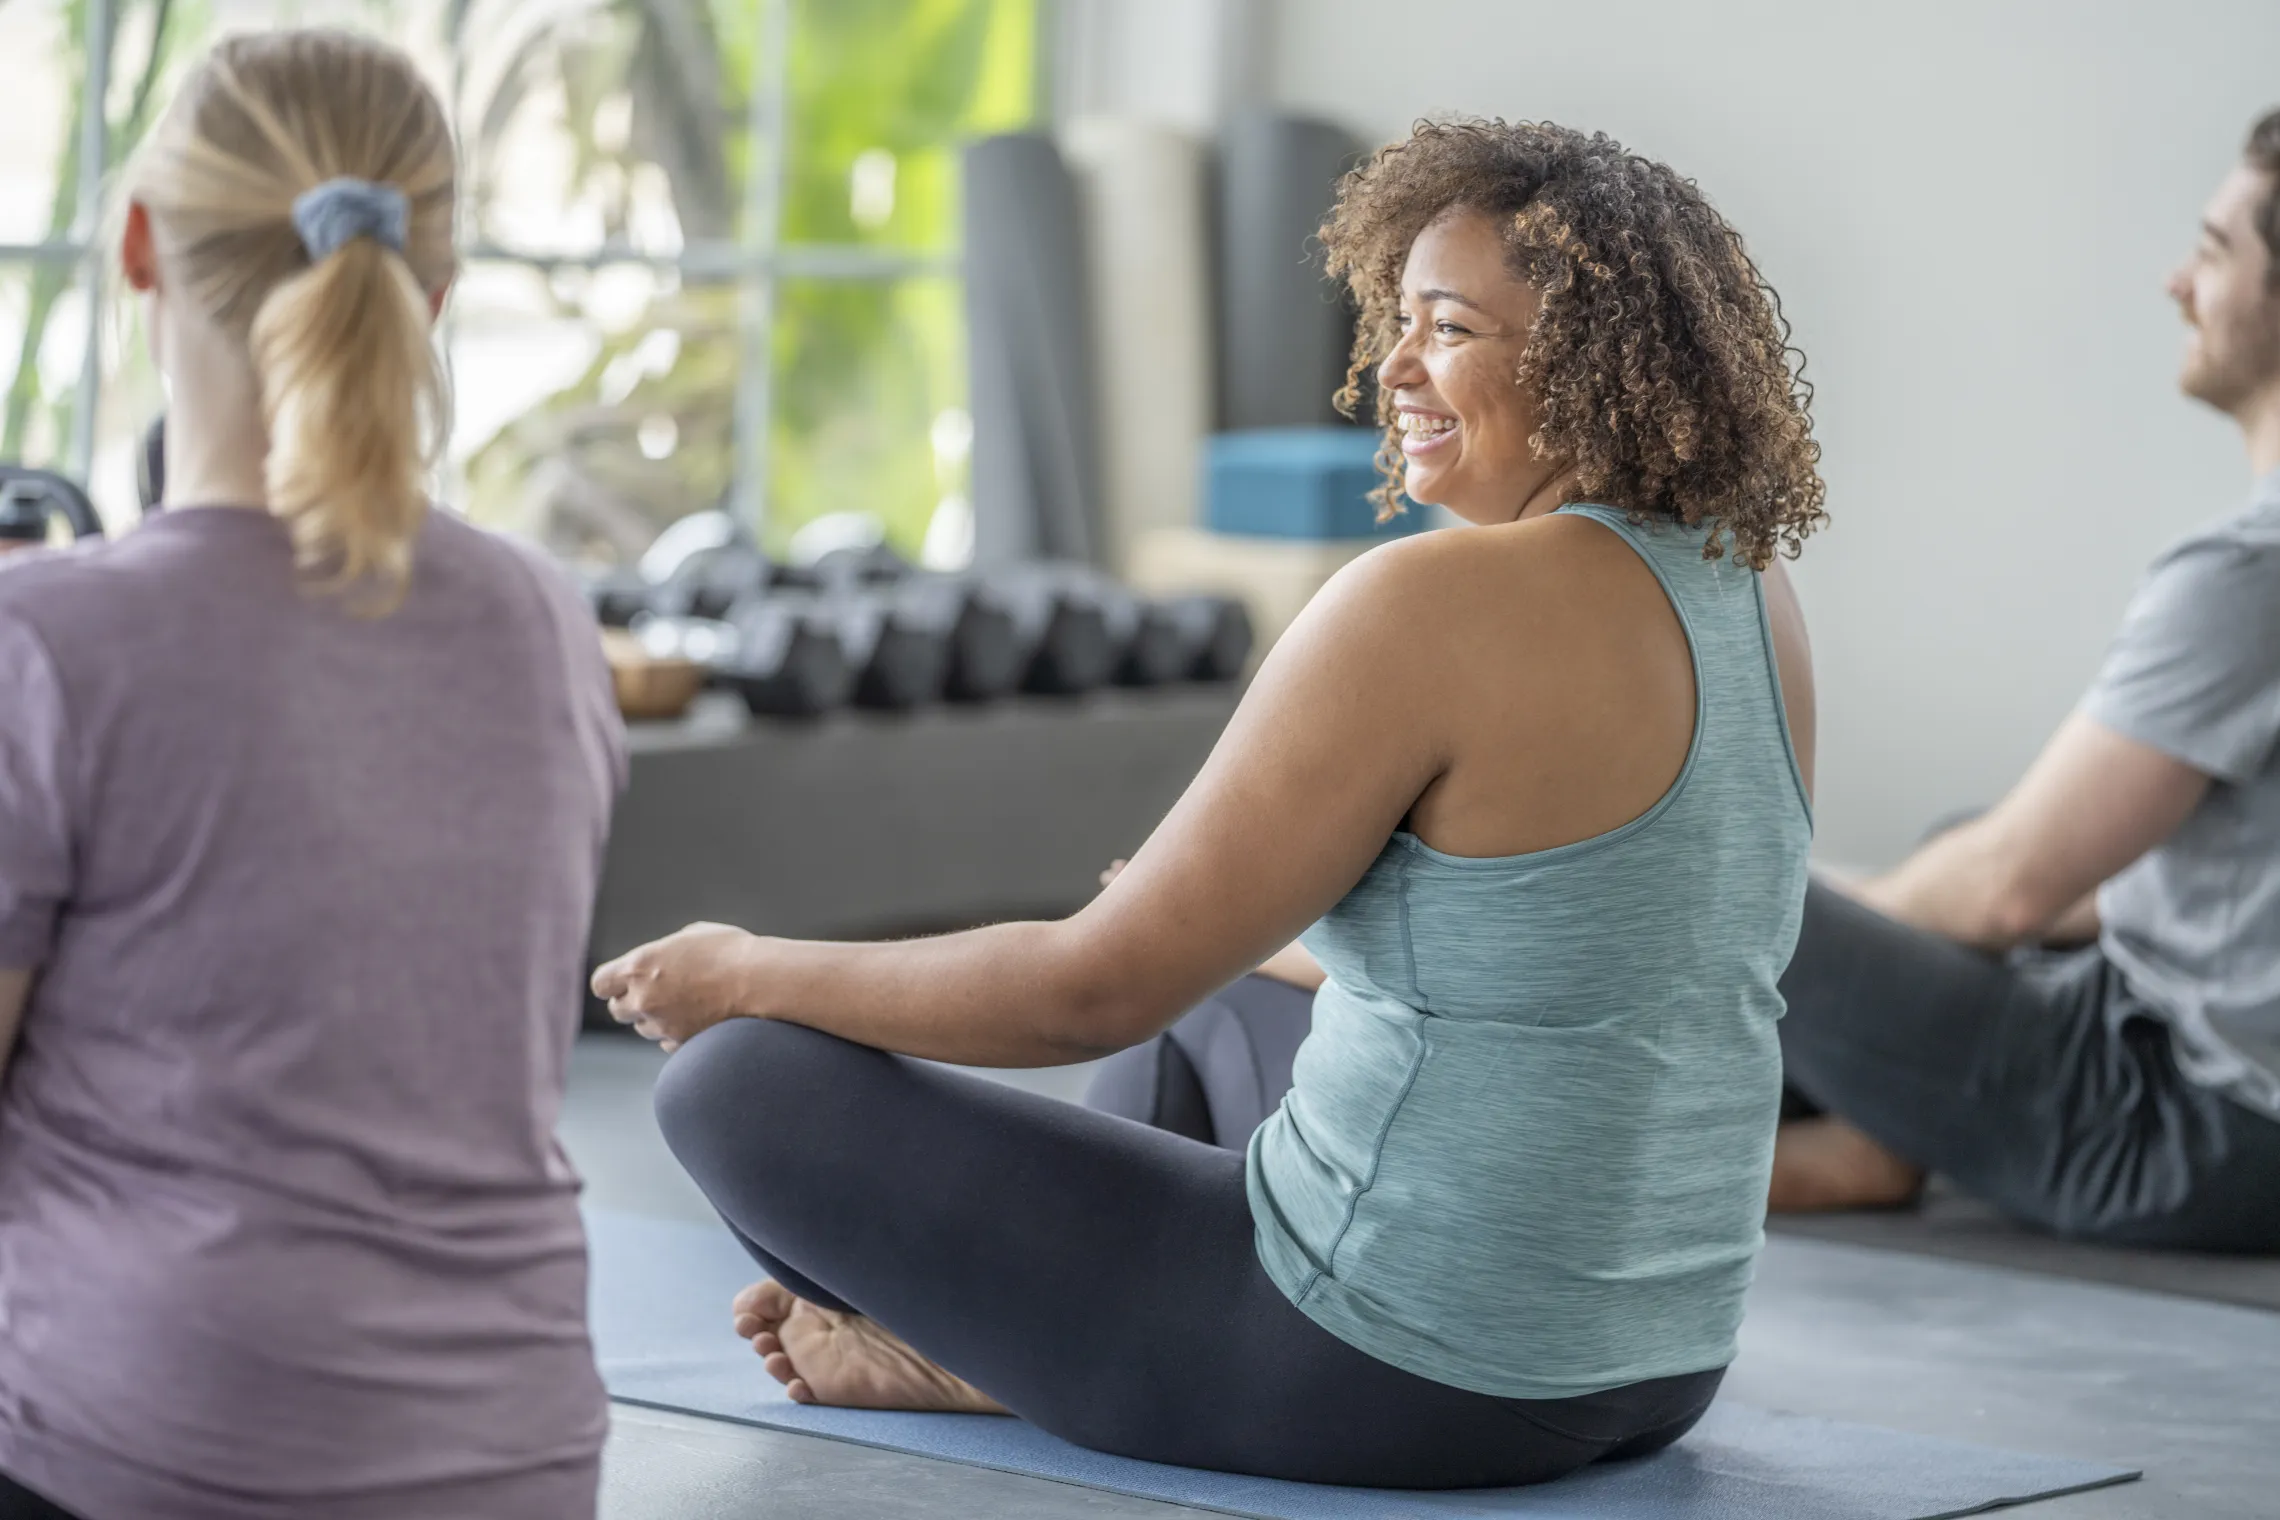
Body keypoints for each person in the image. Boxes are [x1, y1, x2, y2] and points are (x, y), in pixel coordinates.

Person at [597, 118, 1825, 1488]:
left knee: (739, 1081)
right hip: (1652, 1365)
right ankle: (1009, 1347)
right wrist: (1215, 929)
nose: (1399, 366)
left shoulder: (1425, 602)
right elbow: (1604, 945)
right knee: (1220, 991)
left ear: (1595, 364)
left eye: (1453, 328)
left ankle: (1016, 1347)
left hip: (1401, 1372)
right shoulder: (1746, 589)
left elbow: (1085, 994)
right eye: (1399, 318)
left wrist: (745, 970)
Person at [0, 31, 624, 1520]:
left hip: (149, 1446)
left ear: (139, 247)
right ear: (439, 284)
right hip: (520, 1453)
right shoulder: (547, 623)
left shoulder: (54, 644)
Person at [1763, 108, 2280, 1250]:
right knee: (1951, 844)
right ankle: (1875, 1139)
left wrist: (1814, 936)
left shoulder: (2249, 575)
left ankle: (1809, 1143)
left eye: (2215, 250)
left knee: (1718, 895)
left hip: (2194, 1120)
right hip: (2234, 1091)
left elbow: (2008, 892)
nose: (2177, 281)